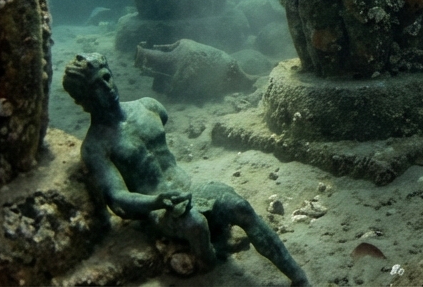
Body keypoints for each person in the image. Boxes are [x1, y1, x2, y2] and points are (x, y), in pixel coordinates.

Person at [62, 53, 310, 286]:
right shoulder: (96, 145)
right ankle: (209, 262)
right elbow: (117, 198)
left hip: (190, 188)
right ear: (83, 99)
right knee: (195, 224)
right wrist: (157, 201)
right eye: (96, 86)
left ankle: (299, 277)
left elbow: (163, 131)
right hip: (159, 211)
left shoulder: (148, 107)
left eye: (106, 78)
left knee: (240, 206)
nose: (106, 88)